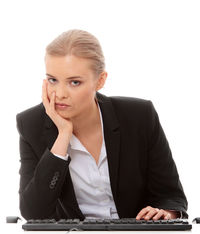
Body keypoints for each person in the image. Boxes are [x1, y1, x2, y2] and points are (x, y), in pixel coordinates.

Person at [16, 29, 188, 221]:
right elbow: (33, 213)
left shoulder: (139, 116)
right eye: (52, 80)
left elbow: (171, 195)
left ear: (100, 81)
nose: (60, 93)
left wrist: (166, 214)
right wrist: (63, 136)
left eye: (74, 82)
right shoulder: (31, 124)